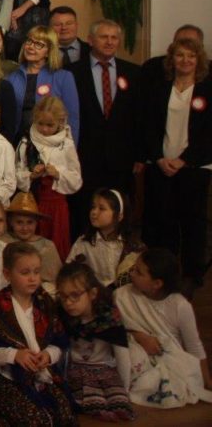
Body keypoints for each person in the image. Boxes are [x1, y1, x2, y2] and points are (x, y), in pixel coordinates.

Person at [140, 36, 211, 294]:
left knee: (193, 223)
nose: (185, 60)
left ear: (199, 60)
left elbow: (208, 133)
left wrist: (185, 160)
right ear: (172, 59)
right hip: (162, 165)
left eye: (191, 56)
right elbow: (149, 126)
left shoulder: (207, 90)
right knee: (163, 221)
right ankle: (166, 274)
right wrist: (159, 157)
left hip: (194, 168)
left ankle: (192, 274)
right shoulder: (160, 88)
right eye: (180, 55)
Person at [0, 242, 76, 426]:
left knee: (64, 413)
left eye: (36, 272)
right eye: (25, 273)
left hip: (40, 375)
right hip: (6, 376)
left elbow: (59, 342)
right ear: (7, 274)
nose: (32, 278)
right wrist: (14, 355)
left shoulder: (44, 303)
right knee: (35, 419)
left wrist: (48, 355)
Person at [68, 19, 142, 241]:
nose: (110, 42)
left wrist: (140, 155)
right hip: (84, 157)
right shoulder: (72, 72)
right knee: (84, 212)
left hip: (121, 159)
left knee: (118, 211)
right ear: (90, 40)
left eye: (114, 38)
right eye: (104, 37)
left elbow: (140, 116)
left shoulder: (133, 72)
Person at [114, 248, 212, 407]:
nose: (131, 273)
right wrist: (139, 336)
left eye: (138, 272)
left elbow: (194, 347)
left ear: (157, 284)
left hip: (170, 361)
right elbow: (113, 331)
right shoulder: (121, 296)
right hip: (136, 359)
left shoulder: (180, 305)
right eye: (133, 268)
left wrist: (207, 382)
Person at [55, 262, 134, 422]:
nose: (68, 302)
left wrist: (125, 387)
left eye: (75, 295)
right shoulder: (62, 316)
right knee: (91, 399)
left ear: (92, 293)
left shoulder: (108, 317)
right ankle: (97, 408)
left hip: (105, 368)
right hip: (77, 369)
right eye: (63, 296)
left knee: (118, 399)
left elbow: (121, 353)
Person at [14, 95, 82, 259]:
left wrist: (58, 174)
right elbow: (16, 173)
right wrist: (31, 175)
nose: (44, 129)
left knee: (55, 248)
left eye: (50, 125)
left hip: (57, 206)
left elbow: (76, 179)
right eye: (40, 124)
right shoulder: (27, 142)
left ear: (60, 122)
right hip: (33, 204)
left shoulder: (66, 144)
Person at [7, 25, 80, 144]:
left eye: (38, 44)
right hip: (18, 142)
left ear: (48, 52)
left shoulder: (63, 77)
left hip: (52, 144)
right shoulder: (12, 78)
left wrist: (70, 148)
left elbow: (72, 118)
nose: (31, 47)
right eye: (29, 41)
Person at [67, 189, 144, 290]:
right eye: (93, 207)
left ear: (119, 216)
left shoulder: (132, 244)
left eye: (102, 208)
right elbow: (70, 271)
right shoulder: (84, 242)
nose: (94, 212)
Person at [6, 191, 61, 295]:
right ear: (11, 221)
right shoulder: (3, 241)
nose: (25, 228)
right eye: (19, 222)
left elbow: (54, 282)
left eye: (30, 222)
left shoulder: (47, 246)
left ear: (36, 222)